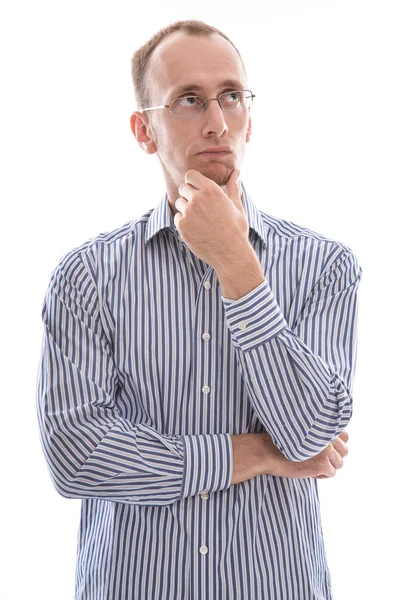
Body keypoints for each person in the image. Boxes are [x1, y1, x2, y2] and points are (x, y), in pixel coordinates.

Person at [36, 19, 362, 600]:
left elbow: (313, 437)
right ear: (143, 131)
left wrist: (237, 265)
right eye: (188, 100)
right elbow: (77, 456)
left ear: (251, 118)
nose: (217, 122)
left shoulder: (325, 266)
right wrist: (258, 452)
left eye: (231, 96)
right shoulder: (86, 276)